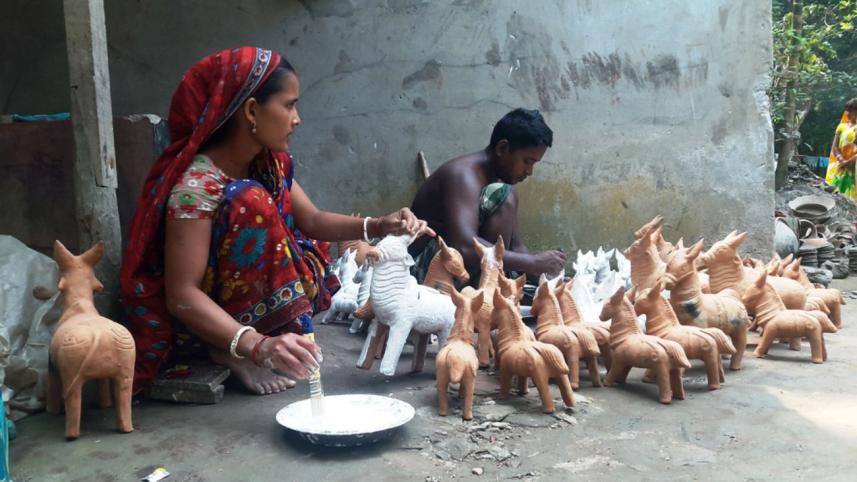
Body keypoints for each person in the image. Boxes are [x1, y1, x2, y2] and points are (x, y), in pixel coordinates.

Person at [120, 47, 433, 395]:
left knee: (305, 250)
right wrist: (256, 345)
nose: (297, 118)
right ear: (252, 111)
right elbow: (182, 295)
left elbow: (312, 220)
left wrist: (379, 225)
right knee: (251, 203)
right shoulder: (196, 189)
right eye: (289, 105)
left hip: (243, 301)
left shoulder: (272, 163)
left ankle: (266, 338)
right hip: (199, 321)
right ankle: (227, 350)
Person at [409, 108, 566, 283]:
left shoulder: (504, 182)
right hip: (426, 269)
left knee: (507, 193)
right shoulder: (463, 176)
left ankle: (491, 286)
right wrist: (534, 262)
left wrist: (547, 279)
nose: (529, 171)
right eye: (527, 162)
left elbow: (516, 247)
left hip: (468, 268)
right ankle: (488, 288)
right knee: (504, 195)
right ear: (502, 148)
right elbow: (465, 247)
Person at [825, 97, 857, 201]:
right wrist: (842, 160)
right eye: (847, 110)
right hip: (840, 165)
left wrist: (849, 162)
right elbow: (835, 147)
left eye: (851, 110)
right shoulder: (841, 127)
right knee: (837, 194)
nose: (847, 113)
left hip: (854, 165)